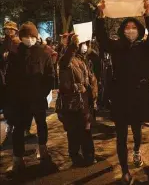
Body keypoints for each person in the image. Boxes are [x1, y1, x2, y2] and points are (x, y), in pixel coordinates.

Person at [96, 0, 149, 184]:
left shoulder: (145, 47)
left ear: (139, 30)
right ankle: (124, 169)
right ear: (122, 31)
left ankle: (137, 151)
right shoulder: (117, 47)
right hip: (121, 96)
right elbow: (102, 38)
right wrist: (100, 17)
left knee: (137, 130)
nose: (130, 30)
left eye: (133, 27)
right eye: (127, 27)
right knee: (121, 135)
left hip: (139, 96)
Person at [6, 22, 55, 173]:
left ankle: (43, 150)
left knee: (41, 125)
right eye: (25, 36)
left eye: (31, 36)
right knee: (18, 129)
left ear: (35, 36)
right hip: (20, 101)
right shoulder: (15, 54)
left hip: (38, 98)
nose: (29, 39)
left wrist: (43, 92)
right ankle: (17, 159)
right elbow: (9, 78)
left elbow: (50, 76)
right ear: (21, 37)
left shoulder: (44, 53)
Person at [57, 33, 97, 167]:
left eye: (86, 43)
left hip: (84, 101)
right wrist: (72, 46)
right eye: (82, 44)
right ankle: (76, 156)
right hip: (72, 102)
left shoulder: (83, 59)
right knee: (73, 130)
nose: (85, 46)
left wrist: (93, 94)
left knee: (86, 129)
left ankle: (89, 156)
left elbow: (90, 79)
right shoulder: (67, 59)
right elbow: (65, 61)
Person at [0, 21, 20, 137]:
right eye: (6, 29)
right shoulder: (3, 43)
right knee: (6, 104)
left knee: (17, 104)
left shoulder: (19, 43)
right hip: (4, 79)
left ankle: (20, 126)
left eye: (11, 29)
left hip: (16, 79)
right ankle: (10, 124)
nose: (8, 31)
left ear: (15, 30)